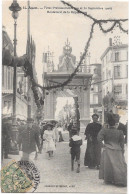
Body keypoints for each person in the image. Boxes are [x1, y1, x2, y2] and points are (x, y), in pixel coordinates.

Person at [97, 113, 127, 186]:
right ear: (115, 124)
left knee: (108, 165)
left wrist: (103, 145)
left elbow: (98, 138)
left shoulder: (104, 130)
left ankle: (109, 179)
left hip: (108, 149)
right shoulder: (120, 132)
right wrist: (122, 150)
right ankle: (119, 180)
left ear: (108, 124)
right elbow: (122, 143)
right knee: (118, 165)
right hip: (117, 150)